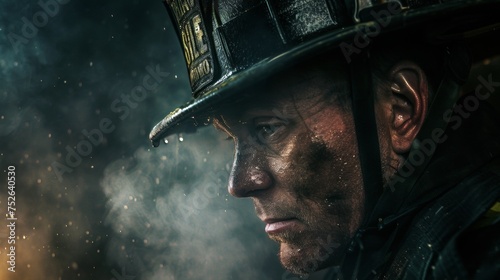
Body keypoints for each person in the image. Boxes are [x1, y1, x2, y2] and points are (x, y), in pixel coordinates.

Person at [150, 0, 500, 278]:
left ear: (400, 109)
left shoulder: (480, 259)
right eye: (232, 139)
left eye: (268, 128)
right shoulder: (372, 254)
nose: (240, 183)